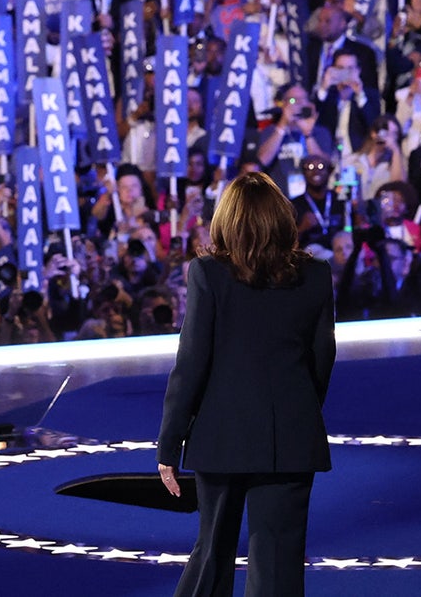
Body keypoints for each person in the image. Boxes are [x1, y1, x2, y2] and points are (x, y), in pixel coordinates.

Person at [157, 172, 335, 597]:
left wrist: (170, 442)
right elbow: (321, 360)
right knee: (278, 562)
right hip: (289, 436)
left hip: (221, 435)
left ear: (228, 219)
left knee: (213, 549)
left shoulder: (207, 273)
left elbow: (192, 363)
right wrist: (298, 412)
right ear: (281, 217)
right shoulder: (315, 275)